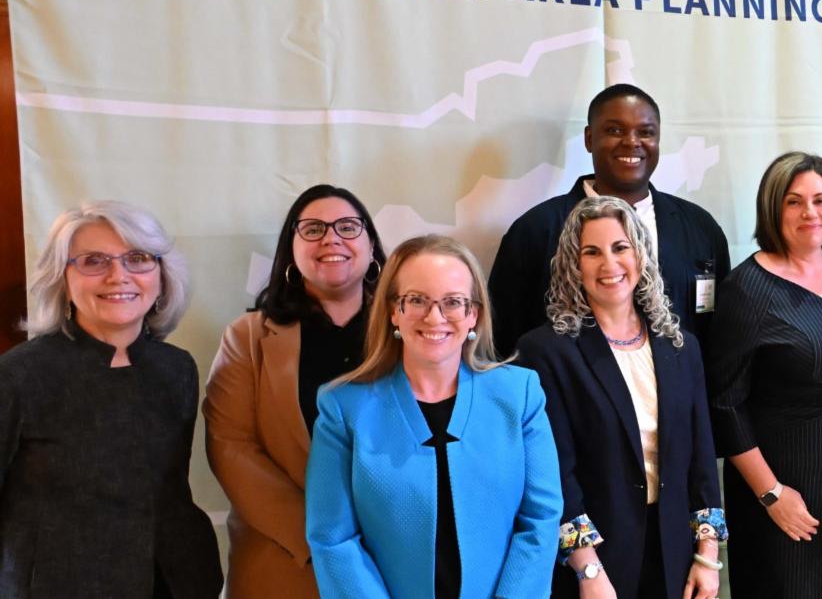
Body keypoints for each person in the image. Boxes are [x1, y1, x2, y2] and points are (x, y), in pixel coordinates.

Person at [305, 235, 562, 598]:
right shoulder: (343, 408)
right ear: (394, 311)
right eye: (417, 300)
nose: (435, 317)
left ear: (474, 313)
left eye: (453, 302)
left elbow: (540, 519)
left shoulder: (520, 395)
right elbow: (333, 539)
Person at [0, 201, 222, 597]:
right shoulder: (18, 375)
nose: (119, 276)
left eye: (138, 259)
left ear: (162, 275)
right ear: (62, 278)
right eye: (93, 261)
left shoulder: (177, 368)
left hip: (174, 580)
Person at [517, 196, 727, 599]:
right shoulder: (546, 352)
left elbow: (701, 459)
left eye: (620, 248)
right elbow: (555, 474)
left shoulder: (681, 346)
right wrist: (588, 570)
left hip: (677, 560)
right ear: (573, 265)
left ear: (641, 254)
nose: (608, 264)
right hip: (595, 565)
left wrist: (707, 554)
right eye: (591, 252)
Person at [706, 151, 822, 597]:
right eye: (794, 201)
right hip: (784, 486)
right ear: (772, 208)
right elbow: (724, 403)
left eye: (821, 200)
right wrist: (771, 495)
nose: (811, 213)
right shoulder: (746, 289)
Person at [203, 184, 387, 598]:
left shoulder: (408, 333)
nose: (331, 238)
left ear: (371, 247)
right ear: (291, 250)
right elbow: (231, 446)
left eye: (347, 226)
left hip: (390, 560)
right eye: (313, 229)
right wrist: (324, 539)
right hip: (285, 559)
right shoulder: (247, 338)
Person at [489, 83, 730, 358]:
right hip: (566, 397)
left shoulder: (700, 228)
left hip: (679, 396)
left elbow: (719, 336)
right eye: (615, 130)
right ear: (589, 139)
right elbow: (503, 340)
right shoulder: (535, 230)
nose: (631, 141)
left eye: (646, 132)